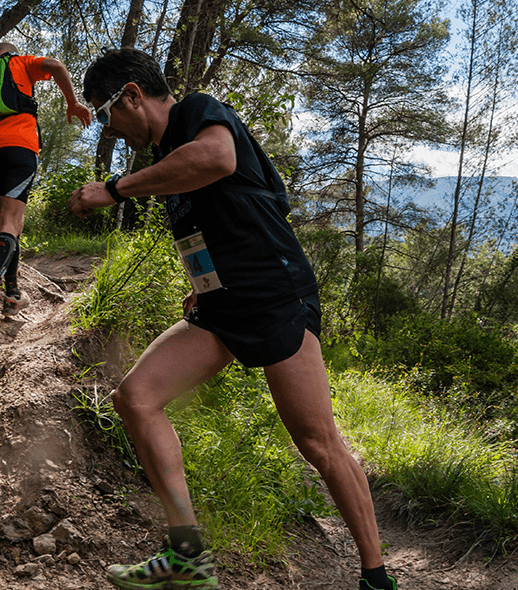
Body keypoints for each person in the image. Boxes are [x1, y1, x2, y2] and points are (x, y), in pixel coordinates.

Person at [68, 48, 398, 590]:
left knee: (318, 442)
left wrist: (115, 189)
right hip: (220, 305)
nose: (108, 129)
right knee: (136, 399)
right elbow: (213, 223)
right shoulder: (167, 155)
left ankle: (376, 577)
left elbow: (218, 160)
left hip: (273, 296)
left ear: (131, 95)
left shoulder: (198, 112)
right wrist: (200, 285)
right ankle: (187, 556)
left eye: (104, 114)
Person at [0, 41, 91, 337]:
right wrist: (72, 102)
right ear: (11, 52)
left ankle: (12, 296)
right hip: (19, 148)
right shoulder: (21, 63)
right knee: (10, 221)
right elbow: (56, 65)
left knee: (10, 222)